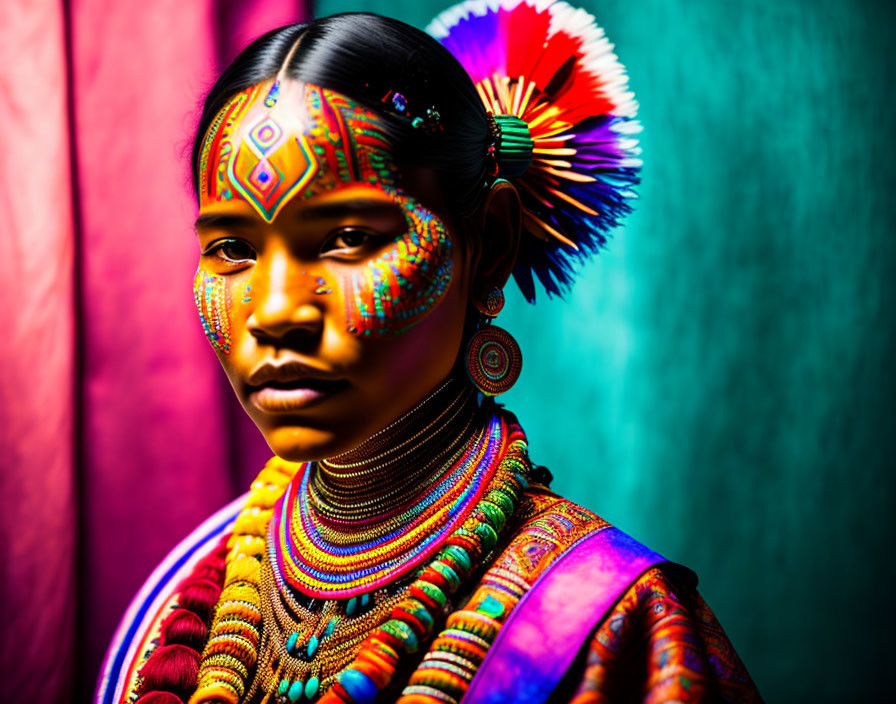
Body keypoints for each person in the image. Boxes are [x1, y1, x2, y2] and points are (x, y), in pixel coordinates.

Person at [96, 2, 762, 703]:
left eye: (348, 236)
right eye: (232, 249)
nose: (276, 311)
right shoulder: (170, 615)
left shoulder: (614, 629)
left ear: (491, 245)